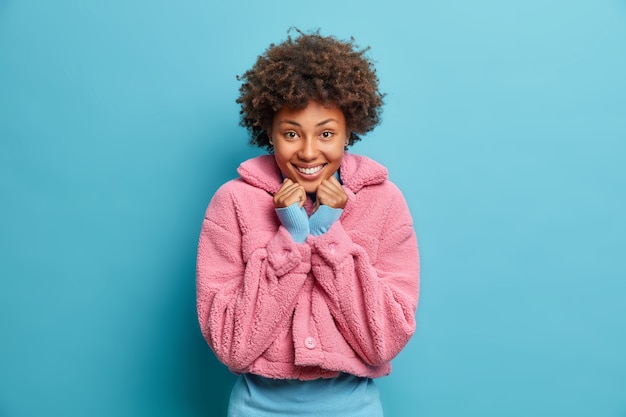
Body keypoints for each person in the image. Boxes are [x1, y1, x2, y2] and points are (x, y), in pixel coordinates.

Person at [196, 29, 419, 417]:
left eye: (327, 133)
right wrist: (294, 238)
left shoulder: (385, 202)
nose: (309, 151)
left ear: (350, 130)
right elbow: (232, 346)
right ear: (268, 131)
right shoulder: (231, 202)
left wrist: (328, 232)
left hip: (355, 407)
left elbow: (383, 340)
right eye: (291, 134)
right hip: (256, 408)